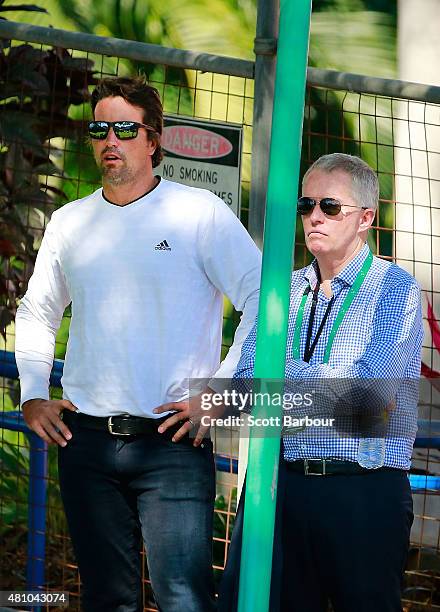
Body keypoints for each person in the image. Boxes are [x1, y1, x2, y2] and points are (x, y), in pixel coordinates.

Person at [14, 75, 261, 612]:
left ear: (154, 140)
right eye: (99, 128)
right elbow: (37, 310)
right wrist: (33, 392)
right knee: (106, 598)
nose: (109, 140)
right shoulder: (69, 222)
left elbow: (266, 300)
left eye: (125, 128)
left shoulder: (199, 214)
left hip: (171, 444)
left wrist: (221, 391)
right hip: (85, 443)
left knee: (184, 600)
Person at [219, 153, 423, 612]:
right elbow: (245, 382)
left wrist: (284, 381)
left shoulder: (396, 289)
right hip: (281, 485)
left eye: (330, 207)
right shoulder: (283, 289)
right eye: (305, 204)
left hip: (363, 493)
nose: (314, 216)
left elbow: (368, 400)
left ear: (366, 217)